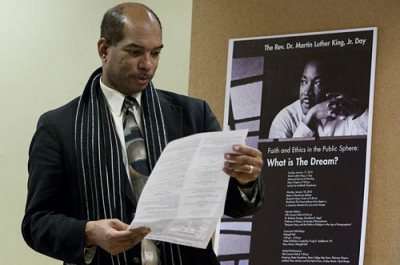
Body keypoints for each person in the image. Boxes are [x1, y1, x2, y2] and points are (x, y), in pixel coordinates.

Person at [22, 3, 264, 265]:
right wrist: (88, 233)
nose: (147, 64)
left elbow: (236, 206)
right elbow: (37, 223)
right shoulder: (59, 127)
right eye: (135, 52)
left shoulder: (193, 116)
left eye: (156, 53)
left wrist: (246, 180)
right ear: (104, 49)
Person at [268, 59, 369, 139]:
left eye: (317, 83)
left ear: (331, 87)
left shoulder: (347, 112)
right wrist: (311, 116)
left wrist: (358, 112)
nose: (307, 92)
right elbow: (284, 162)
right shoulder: (285, 119)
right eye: (304, 82)